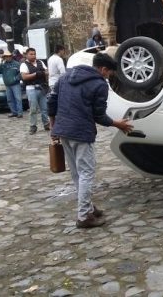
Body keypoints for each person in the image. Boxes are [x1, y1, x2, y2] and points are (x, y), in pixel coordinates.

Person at [48, 53, 133, 228]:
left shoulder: (65, 77)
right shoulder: (99, 84)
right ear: (102, 69)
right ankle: (84, 216)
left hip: (63, 130)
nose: (108, 76)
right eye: (109, 73)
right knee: (86, 173)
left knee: (76, 173)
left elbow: (51, 101)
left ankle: (87, 207)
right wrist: (118, 124)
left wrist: (53, 124)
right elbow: (99, 115)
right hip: (81, 132)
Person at [20, 48, 50, 134]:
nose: (33, 56)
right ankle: (33, 126)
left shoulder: (40, 62)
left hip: (41, 87)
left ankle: (46, 124)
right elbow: (24, 77)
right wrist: (36, 74)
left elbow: (47, 71)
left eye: (34, 54)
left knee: (44, 108)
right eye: (31, 54)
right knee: (33, 109)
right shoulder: (24, 65)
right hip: (31, 88)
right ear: (26, 55)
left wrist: (45, 75)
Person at [0, 50, 23, 118]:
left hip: (15, 84)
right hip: (7, 85)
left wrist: (16, 78)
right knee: (10, 99)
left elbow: (21, 73)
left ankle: (20, 113)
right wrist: (1, 62)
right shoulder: (3, 65)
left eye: (9, 56)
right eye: (6, 57)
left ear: (11, 56)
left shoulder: (16, 64)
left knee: (18, 98)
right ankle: (14, 112)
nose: (8, 58)